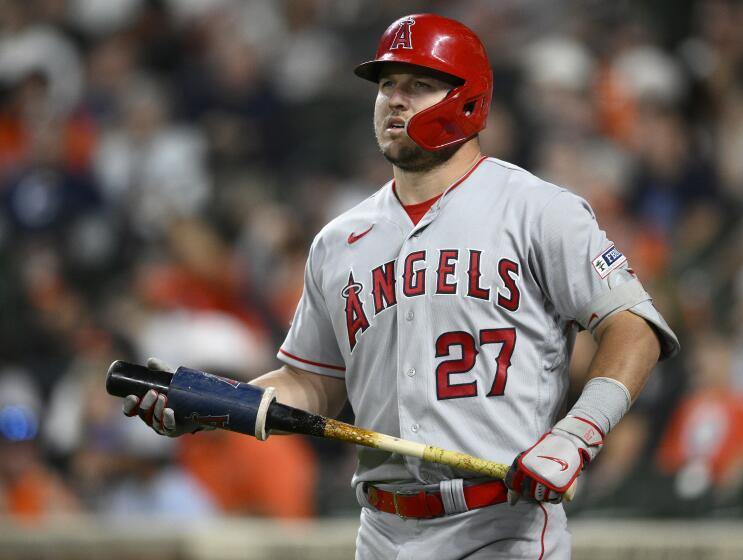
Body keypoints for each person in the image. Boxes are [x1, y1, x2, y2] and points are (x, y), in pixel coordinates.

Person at [123, 14, 679, 559]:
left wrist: (577, 435)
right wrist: (210, 403)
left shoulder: (539, 210)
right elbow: (311, 383)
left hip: (500, 526)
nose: (395, 99)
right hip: (382, 532)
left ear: (468, 98)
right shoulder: (339, 241)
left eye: (419, 85)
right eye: (387, 85)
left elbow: (636, 328)